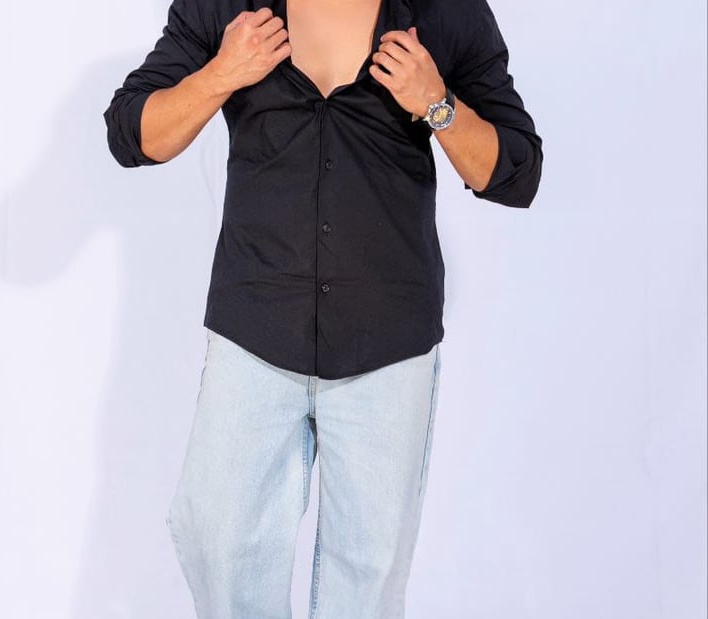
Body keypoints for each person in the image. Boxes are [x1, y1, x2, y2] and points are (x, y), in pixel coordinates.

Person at [103, 0, 542, 616]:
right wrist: (223, 72)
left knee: (368, 574)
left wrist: (437, 103)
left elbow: (517, 174)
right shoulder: (224, 7)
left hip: (387, 340)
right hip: (255, 330)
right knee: (217, 540)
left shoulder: (449, 12)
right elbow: (131, 135)